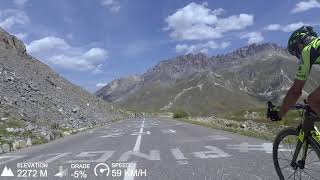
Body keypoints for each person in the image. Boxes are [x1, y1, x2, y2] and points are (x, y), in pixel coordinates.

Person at [268, 26, 320, 121]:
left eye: (296, 52)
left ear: (300, 45)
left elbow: (295, 92)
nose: (298, 56)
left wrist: (280, 114)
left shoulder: (307, 50)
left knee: (312, 100)